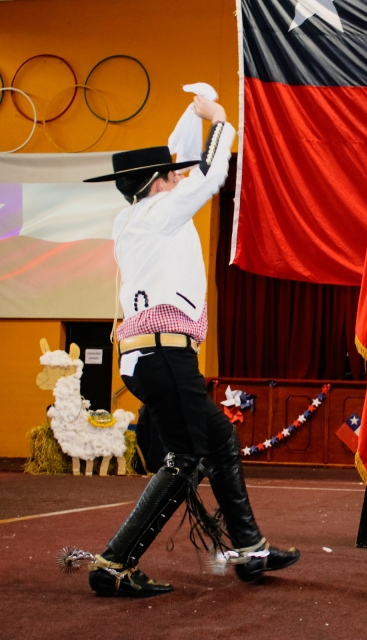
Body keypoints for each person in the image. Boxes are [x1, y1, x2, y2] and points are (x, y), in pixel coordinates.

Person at [81, 96, 299, 596]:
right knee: (185, 460)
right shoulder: (159, 213)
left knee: (219, 438)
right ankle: (113, 565)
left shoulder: (135, 217)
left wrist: (189, 116)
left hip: (151, 356)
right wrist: (219, 121)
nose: (179, 179)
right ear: (157, 184)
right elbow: (206, 175)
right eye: (170, 176)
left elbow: (178, 162)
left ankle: (248, 548)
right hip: (163, 354)